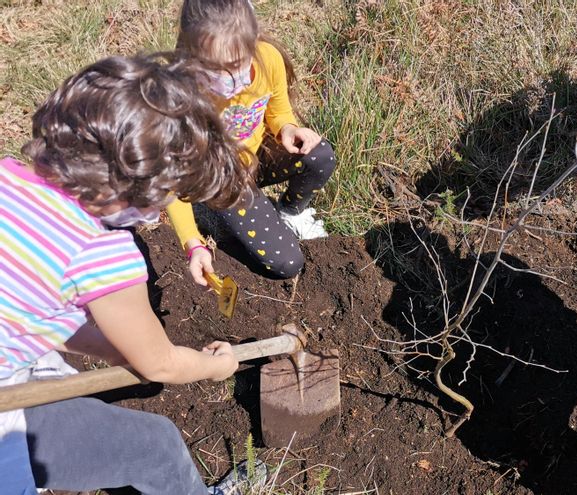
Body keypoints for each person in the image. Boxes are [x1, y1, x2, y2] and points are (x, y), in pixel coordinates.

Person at [1, 54, 264, 494]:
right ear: (134, 191)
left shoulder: (8, 178)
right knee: (157, 446)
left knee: (62, 385)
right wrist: (216, 366)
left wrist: (117, 350)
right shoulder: (100, 251)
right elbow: (158, 362)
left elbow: (28, 311)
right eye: (163, 199)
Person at [169, 0, 337, 285]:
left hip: (255, 156)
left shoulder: (267, 57)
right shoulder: (181, 98)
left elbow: (279, 107)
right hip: (223, 179)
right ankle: (213, 210)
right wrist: (192, 243)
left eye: (239, 65)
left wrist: (286, 128)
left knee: (320, 156)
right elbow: (171, 183)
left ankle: (290, 212)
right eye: (219, 71)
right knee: (288, 263)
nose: (236, 81)